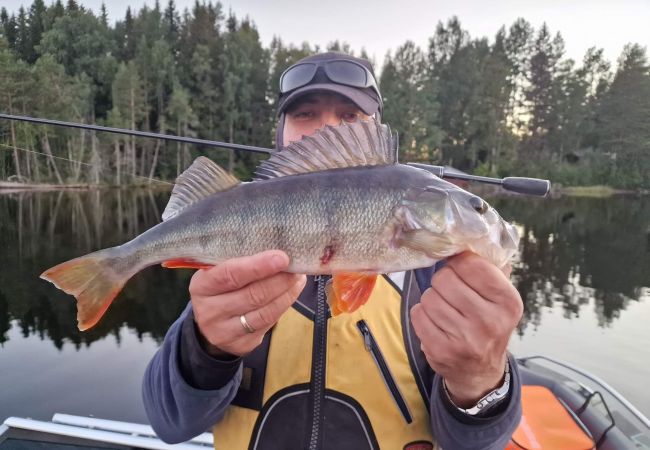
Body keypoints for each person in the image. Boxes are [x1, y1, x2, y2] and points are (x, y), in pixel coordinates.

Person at [142, 52, 523, 450]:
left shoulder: (438, 280)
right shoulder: (234, 278)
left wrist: (480, 383)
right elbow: (169, 423)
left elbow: (477, 444)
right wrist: (207, 347)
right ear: (280, 135)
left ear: (375, 132)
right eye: (305, 114)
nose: (326, 130)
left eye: (349, 116)